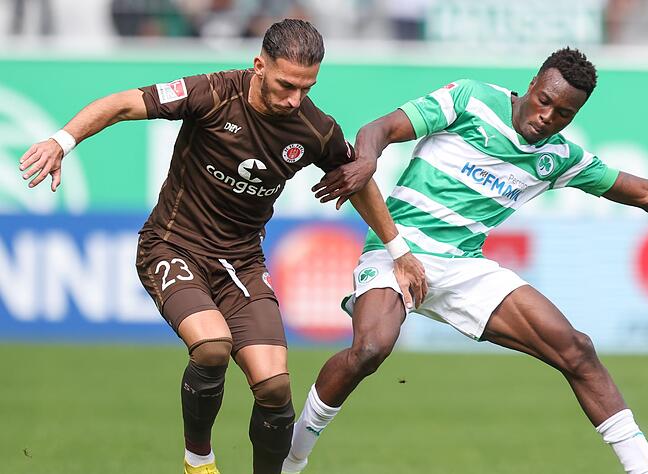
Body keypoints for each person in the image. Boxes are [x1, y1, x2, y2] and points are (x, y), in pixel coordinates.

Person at [282, 47, 648, 474]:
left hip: (463, 267)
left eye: (563, 113)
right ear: (531, 85)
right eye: (545, 101)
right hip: (398, 247)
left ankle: (647, 470)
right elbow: (379, 128)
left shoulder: (559, 157)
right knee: (371, 349)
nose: (547, 117)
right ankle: (291, 460)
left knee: (576, 349)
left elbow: (647, 193)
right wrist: (368, 159)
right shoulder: (469, 99)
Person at [18, 19, 427, 474]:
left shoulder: (314, 129)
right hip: (172, 246)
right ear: (259, 66)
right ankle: (199, 460)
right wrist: (62, 141)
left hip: (242, 265)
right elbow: (121, 105)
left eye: (306, 88)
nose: (295, 99)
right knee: (212, 345)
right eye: (286, 85)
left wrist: (399, 252)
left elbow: (357, 179)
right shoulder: (212, 93)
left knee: (274, 387)